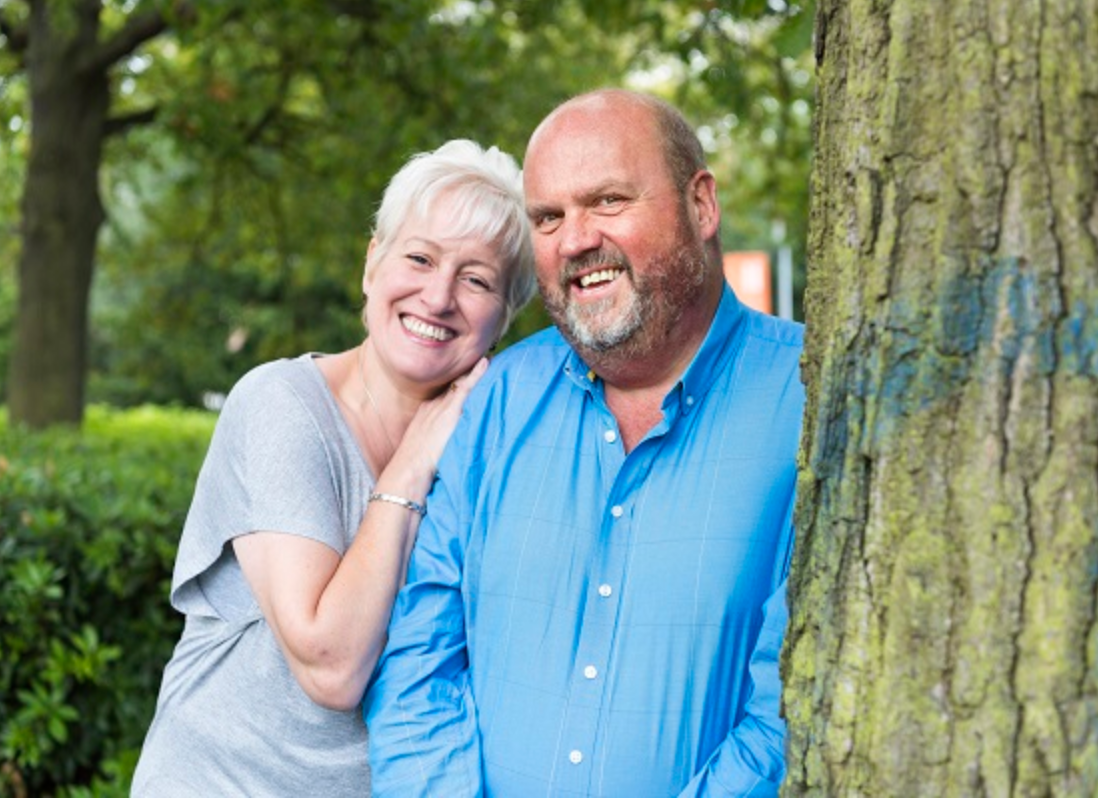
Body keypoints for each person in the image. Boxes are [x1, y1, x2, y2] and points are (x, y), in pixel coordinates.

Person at [365, 89, 804, 796]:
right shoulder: (498, 400)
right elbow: (421, 661)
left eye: (607, 201)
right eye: (548, 217)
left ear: (701, 205)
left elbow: (789, 710)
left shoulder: (805, 398)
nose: (575, 240)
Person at [131, 139, 536, 797]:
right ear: (372, 263)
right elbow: (331, 667)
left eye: (476, 279)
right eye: (419, 257)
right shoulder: (281, 405)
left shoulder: (500, 455)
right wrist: (409, 467)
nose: (437, 297)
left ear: (505, 316)